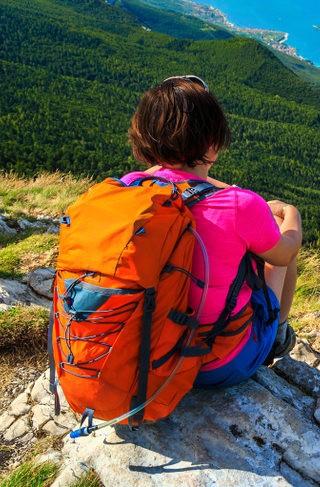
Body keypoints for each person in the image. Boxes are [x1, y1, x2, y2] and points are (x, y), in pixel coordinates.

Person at [122, 75, 300, 389]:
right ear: (213, 141)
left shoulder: (129, 187)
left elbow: (167, 175)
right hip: (217, 366)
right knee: (278, 240)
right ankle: (279, 335)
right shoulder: (242, 206)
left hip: (141, 351)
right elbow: (286, 253)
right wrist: (291, 214)